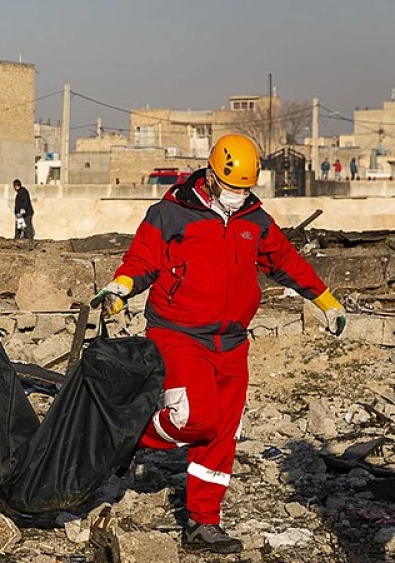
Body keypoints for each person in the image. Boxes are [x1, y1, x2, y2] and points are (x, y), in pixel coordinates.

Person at [95, 134, 346, 554]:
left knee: (223, 433)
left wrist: (326, 301)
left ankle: (202, 524)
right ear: (210, 176)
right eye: (231, 188)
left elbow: (286, 261)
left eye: (244, 189)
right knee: (197, 418)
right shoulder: (170, 213)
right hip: (177, 334)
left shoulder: (254, 220)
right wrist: (120, 289)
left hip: (231, 342)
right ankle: (131, 434)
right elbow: (142, 259)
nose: (236, 196)